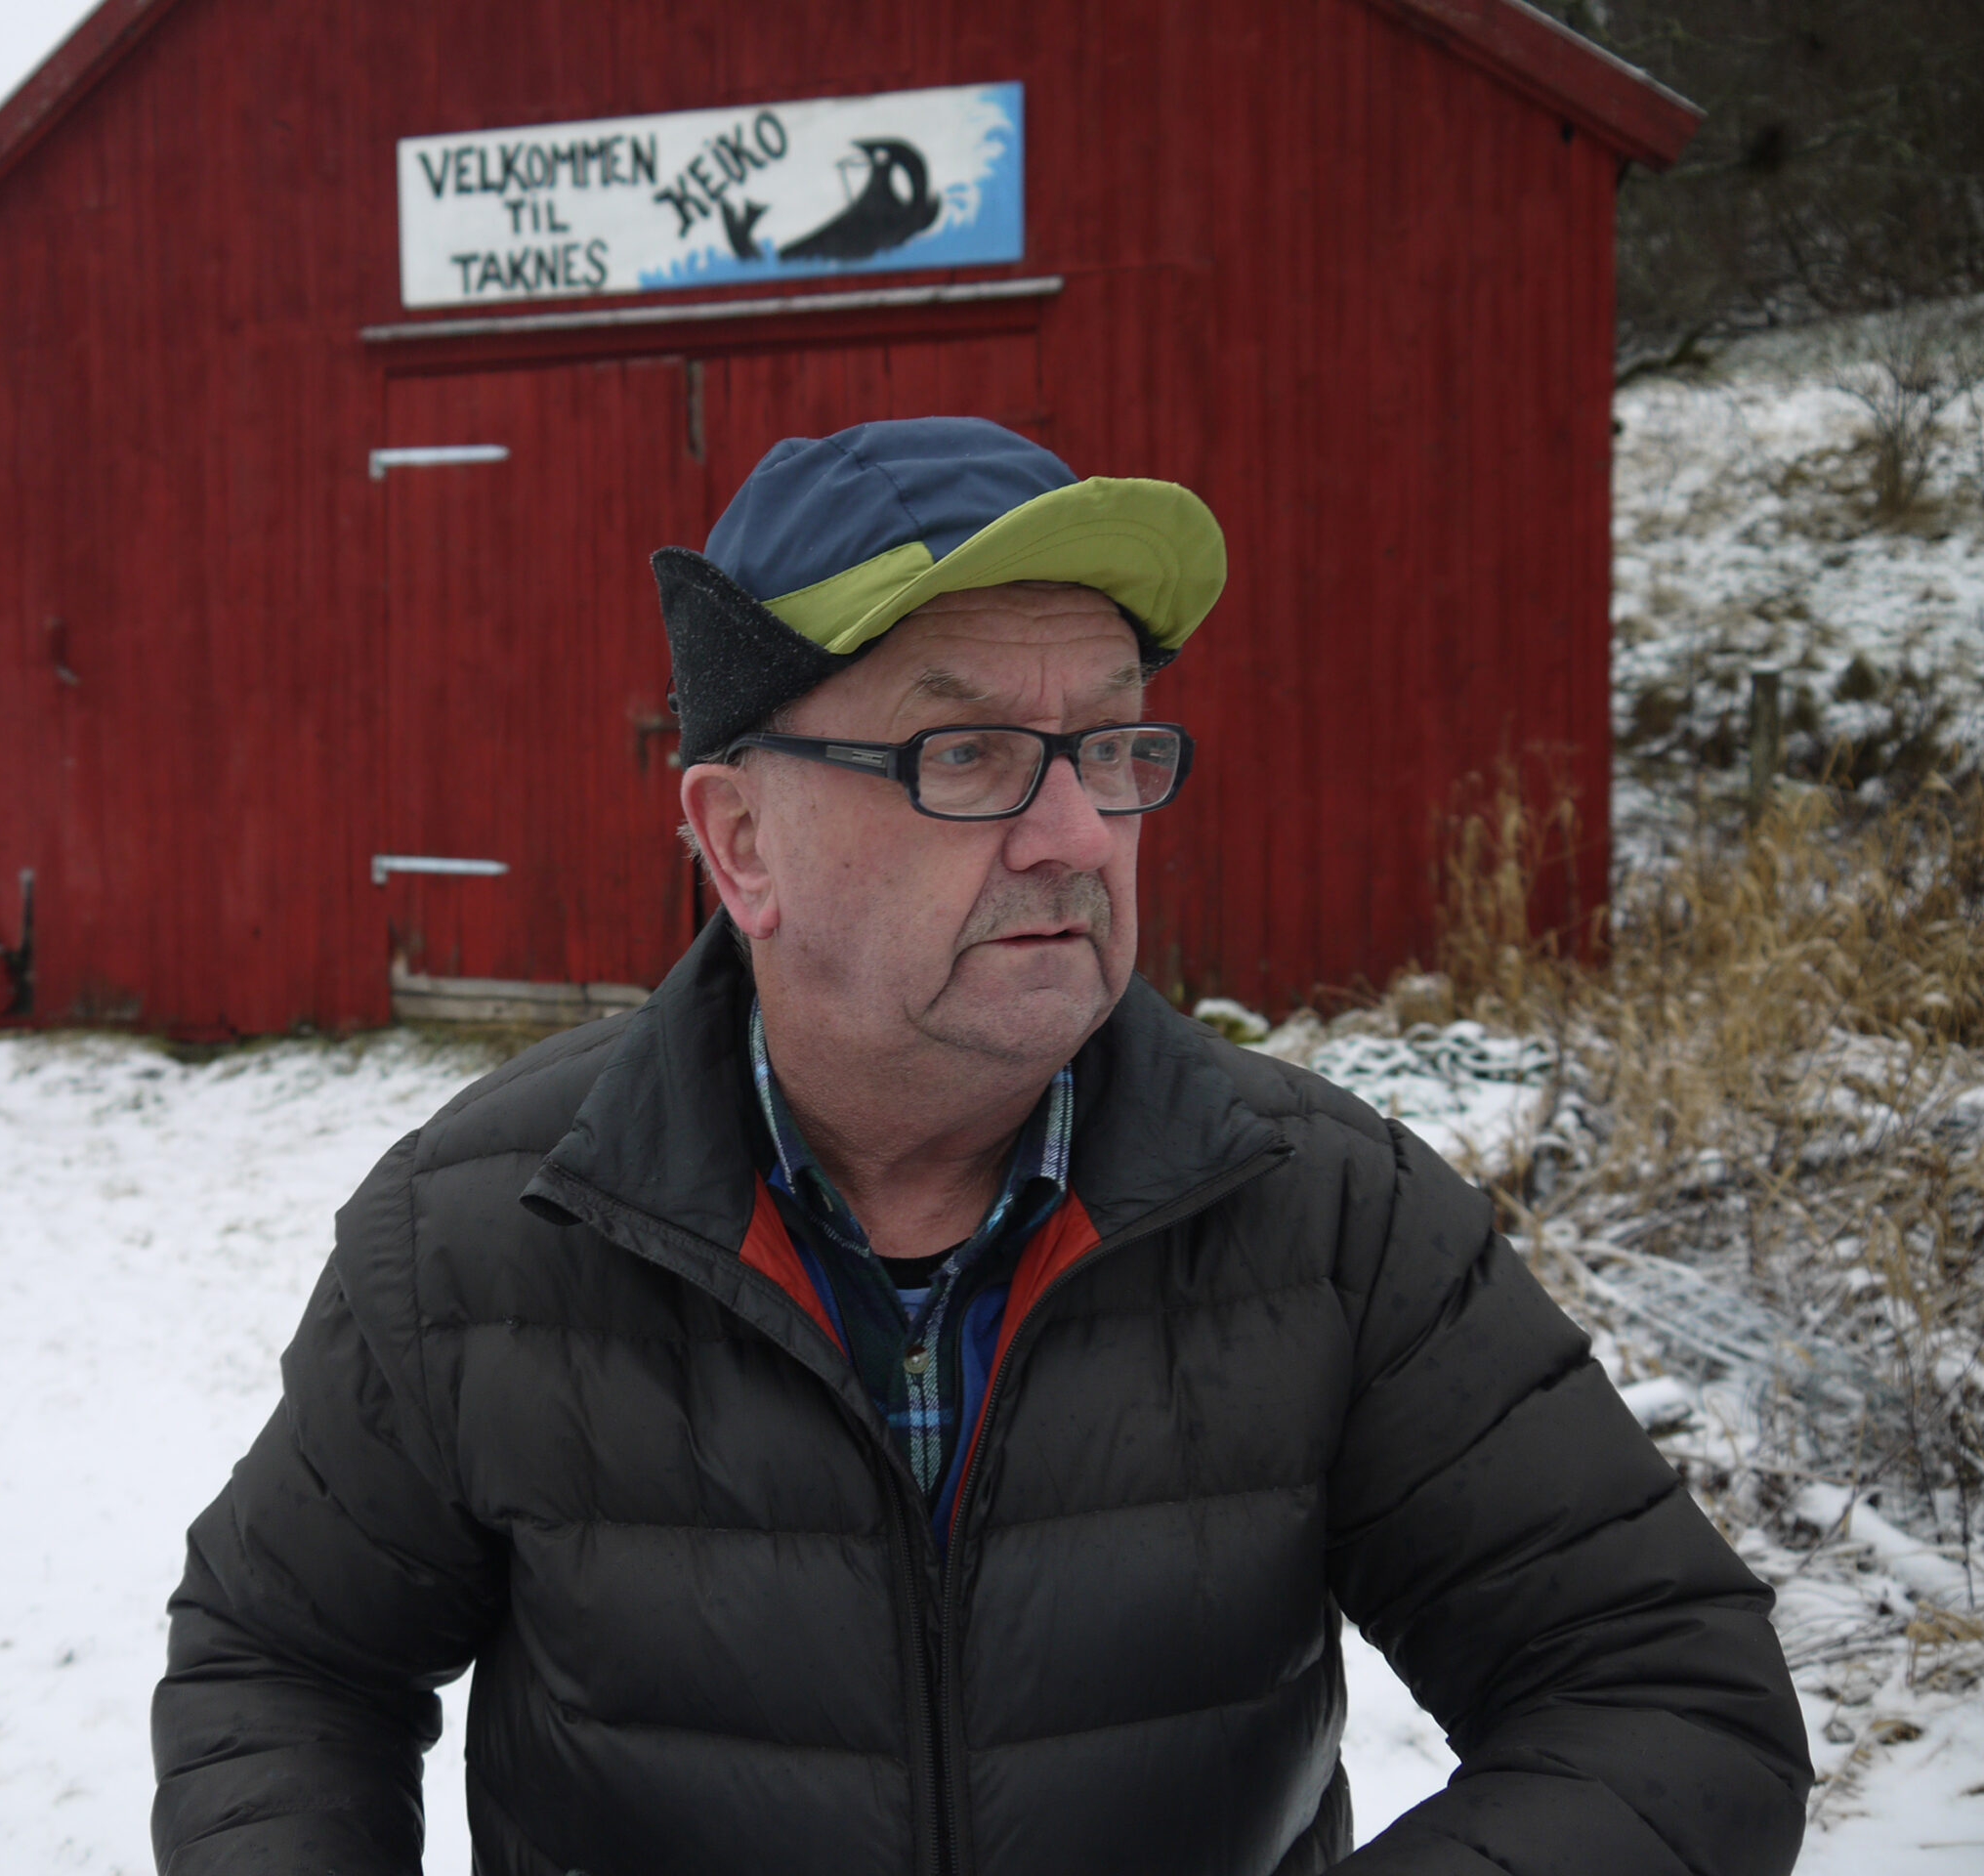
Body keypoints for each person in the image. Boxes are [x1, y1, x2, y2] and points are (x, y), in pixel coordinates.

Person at [151, 418, 1810, 1875]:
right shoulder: (481, 1237)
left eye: (1110, 743)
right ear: (742, 841)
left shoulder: (1330, 1220)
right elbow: (281, 1664)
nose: (1079, 831)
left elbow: (1664, 1693)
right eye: (968, 757)